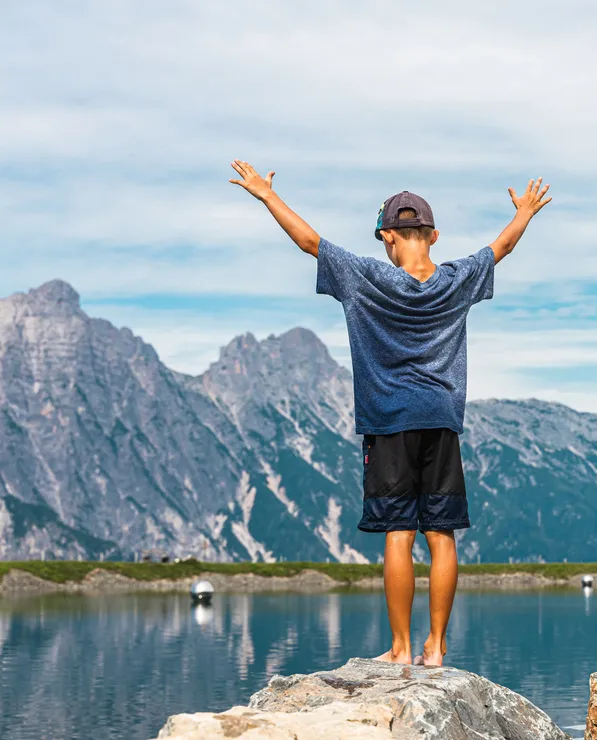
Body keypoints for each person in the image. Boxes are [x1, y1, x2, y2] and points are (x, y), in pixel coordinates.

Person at [229, 160, 552, 665]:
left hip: (388, 422)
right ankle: (437, 647)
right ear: (433, 234)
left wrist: (267, 196)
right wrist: (526, 211)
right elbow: (501, 248)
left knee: (399, 534)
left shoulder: (367, 278)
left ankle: (401, 650)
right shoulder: (456, 280)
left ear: (387, 236)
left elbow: (310, 242)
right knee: (441, 536)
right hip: (442, 418)